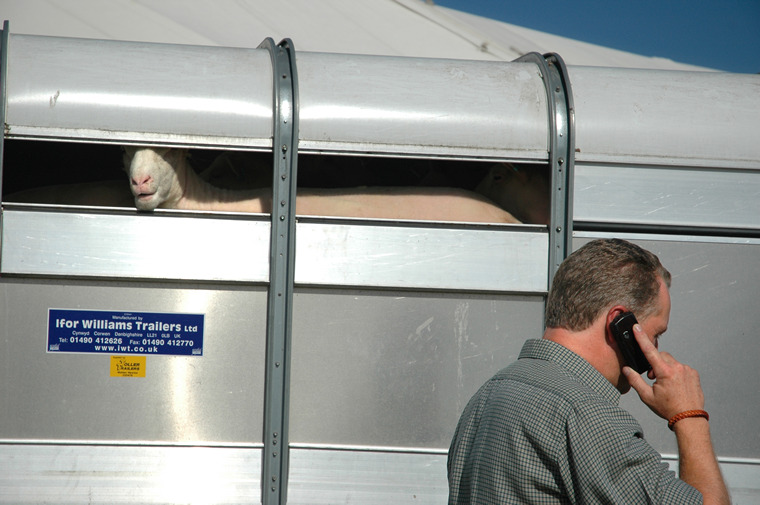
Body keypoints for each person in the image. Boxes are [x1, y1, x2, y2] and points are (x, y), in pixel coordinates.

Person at [447, 238, 730, 504]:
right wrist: (689, 416)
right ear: (621, 325)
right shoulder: (587, 417)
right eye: (656, 334)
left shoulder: (489, 394)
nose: (656, 352)